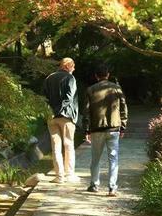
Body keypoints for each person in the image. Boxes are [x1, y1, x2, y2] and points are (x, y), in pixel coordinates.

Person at [84, 63, 128, 196]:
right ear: (108, 75)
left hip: (96, 129)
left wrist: (86, 130)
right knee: (113, 159)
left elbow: (86, 112)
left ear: (96, 76)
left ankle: (94, 185)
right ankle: (112, 187)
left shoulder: (90, 90)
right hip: (114, 128)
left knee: (95, 158)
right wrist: (123, 127)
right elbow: (123, 108)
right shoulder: (117, 89)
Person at [43, 57, 80, 183]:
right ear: (69, 66)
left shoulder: (49, 78)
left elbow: (44, 98)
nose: (73, 70)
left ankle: (59, 176)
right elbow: (69, 98)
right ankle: (69, 175)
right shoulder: (70, 78)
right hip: (66, 116)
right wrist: (59, 110)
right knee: (68, 144)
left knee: (55, 147)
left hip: (51, 117)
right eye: (73, 67)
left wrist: (51, 112)